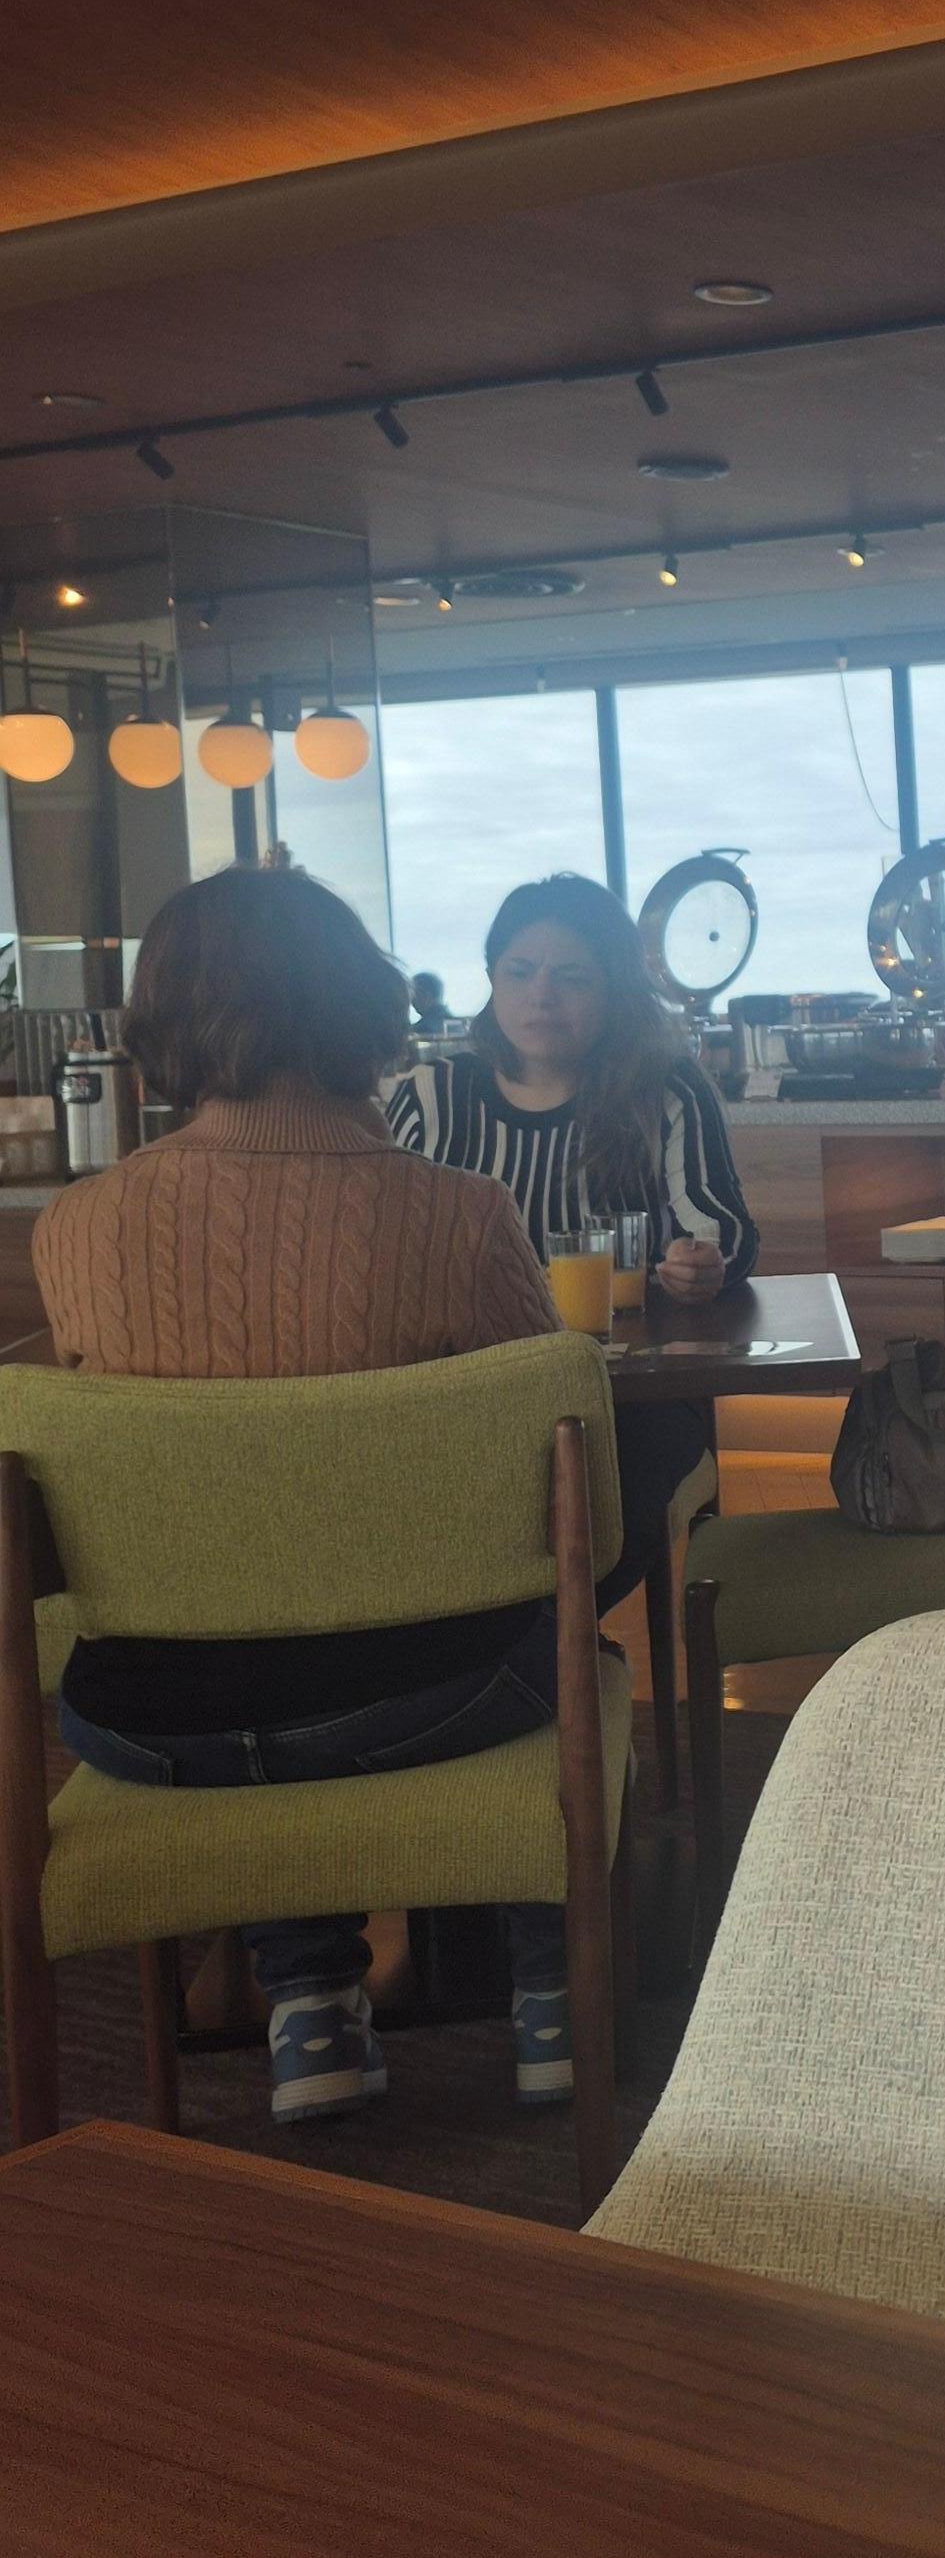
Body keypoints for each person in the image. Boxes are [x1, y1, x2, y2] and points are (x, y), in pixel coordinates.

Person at [35, 866, 575, 2128]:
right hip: (420, 1703)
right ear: (362, 1006)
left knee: (248, 1608)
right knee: (555, 1609)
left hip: (146, 1726)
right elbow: (558, 1490)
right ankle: (556, 1993)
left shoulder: (75, 1228)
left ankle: (310, 2001)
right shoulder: (460, 1215)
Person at [388, 872, 756, 1605]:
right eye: (519, 972)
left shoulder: (665, 1088)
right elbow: (386, 1241)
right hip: (468, 1392)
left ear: (615, 989)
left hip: (629, 1398)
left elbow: (722, 1226)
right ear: (492, 978)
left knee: (602, 1505)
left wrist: (700, 1263)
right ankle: (533, 1652)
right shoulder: (433, 1095)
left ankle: (540, 1650)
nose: (541, 996)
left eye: (572, 977)